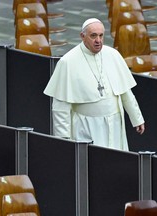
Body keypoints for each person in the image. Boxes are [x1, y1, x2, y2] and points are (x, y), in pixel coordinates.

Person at [44, 18, 145, 151]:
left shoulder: (113, 55)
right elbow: (60, 107)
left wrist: (137, 118)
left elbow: (125, 92)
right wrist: (63, 140)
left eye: (101, 35)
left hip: (114, 125)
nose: (98, 40)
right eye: (93, 36)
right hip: (86, 127)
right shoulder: (68, 62)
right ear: (82, 36)